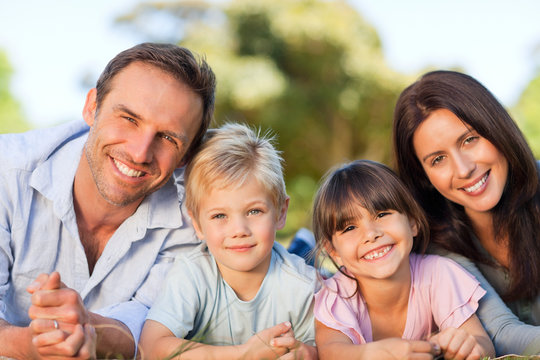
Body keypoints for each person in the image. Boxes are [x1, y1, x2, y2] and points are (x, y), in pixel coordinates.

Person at [0, 42, 216, 359]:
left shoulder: (195, 218)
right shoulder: (7, 171)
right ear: (92, 107)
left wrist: (88, 329)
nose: (140, 152)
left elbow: (155, 328)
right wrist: (41, 346)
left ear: (186, 155)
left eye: (168, 137)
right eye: (129, 118)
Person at [139, 123, 318, 360]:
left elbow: (331, 348)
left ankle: (304, 248)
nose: (239, 230)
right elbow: (151, 347)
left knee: (309, 264)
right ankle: (302, 245)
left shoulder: (305, 287)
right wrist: (243, 354)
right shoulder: (192, 274)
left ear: (281, 212)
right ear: (197, 224)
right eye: (219, 216)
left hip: (292, 268)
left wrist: (306, 353)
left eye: (254, 211)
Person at [393, 70, 540, 355]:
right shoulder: (433, 242)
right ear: (424, 176)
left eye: (469, 140)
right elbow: (500, 333)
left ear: (496, 128)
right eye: (438, 159)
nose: (463, 169)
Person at [312, 160, 494, 360]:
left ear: (413, 222)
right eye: (349, 228)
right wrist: (372, 354)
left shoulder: (438, 274)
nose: (371, 234)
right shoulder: (335, 295)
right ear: (333, 251)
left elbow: (482, 342)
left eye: (382, 214)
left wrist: (468, 346)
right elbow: (330, 353)